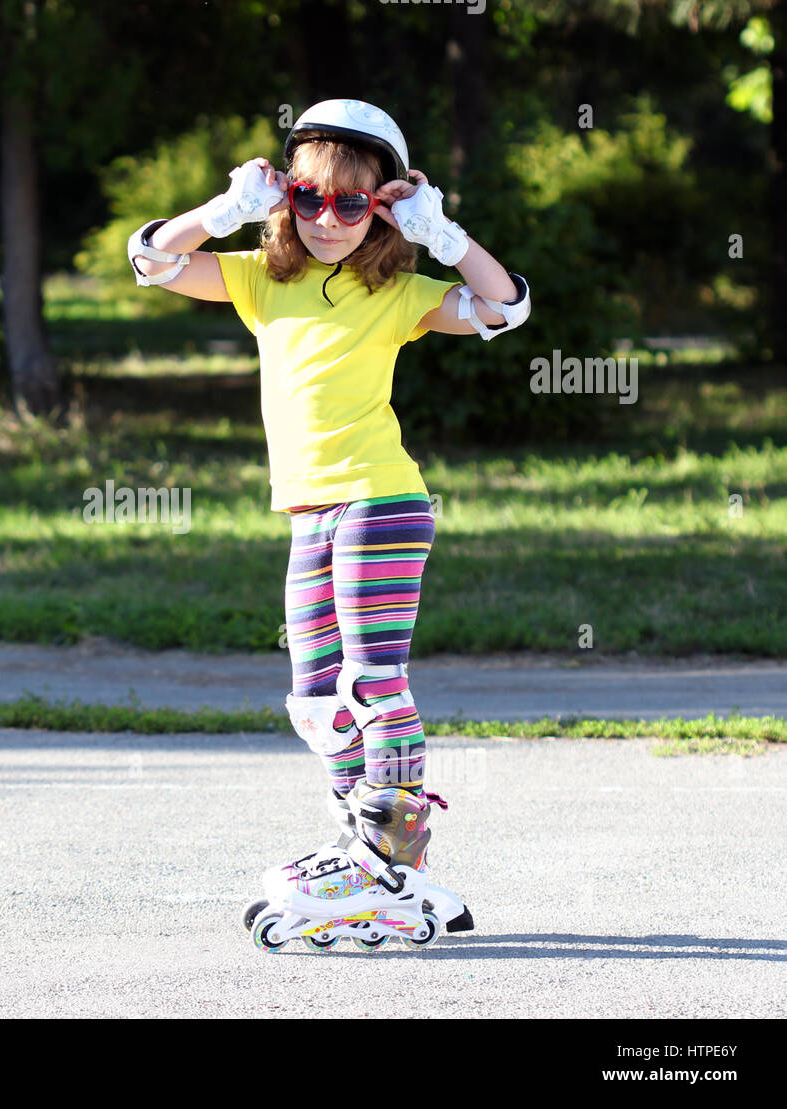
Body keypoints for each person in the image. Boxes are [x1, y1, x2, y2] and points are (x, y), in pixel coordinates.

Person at [126, 99, 530, 951]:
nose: (331, 220)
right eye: (312, 200)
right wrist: (225, 211)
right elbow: (153, 262)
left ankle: (390, 853)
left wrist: (444, 235)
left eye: (356, 203)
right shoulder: (257, 278)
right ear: (287, 199)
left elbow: (507, 307)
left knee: (372, 680)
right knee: (316, 705)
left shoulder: (399, 292)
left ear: (384, 207)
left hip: (382, 501)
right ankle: (372, 846)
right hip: (308, 511)